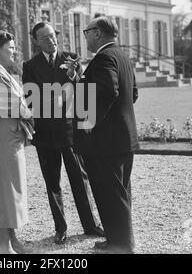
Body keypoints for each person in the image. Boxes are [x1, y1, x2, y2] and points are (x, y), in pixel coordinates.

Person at [22, 22, 104, 245]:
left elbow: (82, 91)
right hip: (45, 134)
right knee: (53, 183)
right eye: (46, 38)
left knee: (80, 179)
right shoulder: (29, 66)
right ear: (37, 42)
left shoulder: (72, 58)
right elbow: (31, 99)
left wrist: (75, 79)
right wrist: (58, 97)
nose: (52, 40)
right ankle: (60, 228)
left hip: (70, 132)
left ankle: (90, 224)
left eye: (53, 36)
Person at [69, 16, 139, 254]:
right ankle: (117, 239)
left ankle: (121, 245)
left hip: (106, 142)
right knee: (119, 192)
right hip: (123, 138)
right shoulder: (121, 56)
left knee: (110, 193)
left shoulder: (105, 57)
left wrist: (88, 121)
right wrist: (80, 78)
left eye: (86, 31)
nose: (85, 36)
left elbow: (108, 89)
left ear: (97, 33)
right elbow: (133, 94)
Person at [0, 30, 34, 254]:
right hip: (2, 136)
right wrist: (30, 113)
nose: (14, 51)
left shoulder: (1, 70)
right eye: (10, 47)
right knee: (4, 191)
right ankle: (4, 247)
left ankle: (13, 241)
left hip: (9, 136)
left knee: (11, 190)